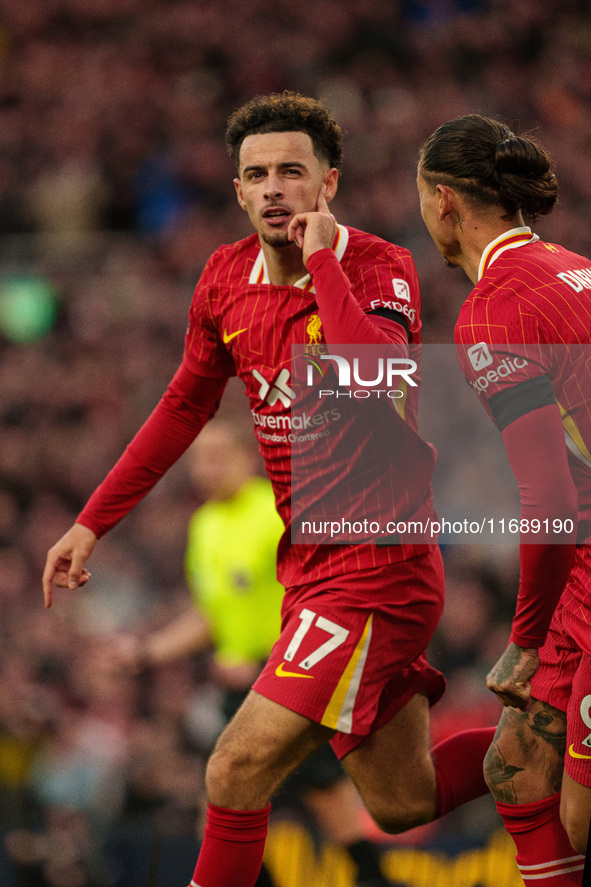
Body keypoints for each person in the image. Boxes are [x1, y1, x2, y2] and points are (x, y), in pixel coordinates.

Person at [43, 91, 493, 887]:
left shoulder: (377, 264)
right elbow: (183, 404)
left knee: (233, 769)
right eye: (258, 174)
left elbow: (375, 383)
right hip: (310, 569)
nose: (275, 187)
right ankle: (555, 740)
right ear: (238, 191)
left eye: (293, 170)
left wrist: (322, 264)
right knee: (399, 800)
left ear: (328, 184)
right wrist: (91, 523)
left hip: (377, 567)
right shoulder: (222, 278)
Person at [417, 114, 591, 884]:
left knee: (584, 816)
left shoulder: (492, 311)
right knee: (517, 764)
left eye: (421, 197)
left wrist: (522, 639)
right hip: (580, 567)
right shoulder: (576, 267)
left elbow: (547, 491)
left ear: (444, 201)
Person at [115, 418, 397, 887]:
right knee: (234, 798)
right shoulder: (204, 526)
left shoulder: (276, 514)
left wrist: (275, 654)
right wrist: (148, 651)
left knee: (303, 799)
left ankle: (373, 879)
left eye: (219, 455)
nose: (207, 467)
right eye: (200, 458)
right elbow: (212, 615)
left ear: (249, 457)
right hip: (239, 689)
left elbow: (326, 596)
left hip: (290, 678)